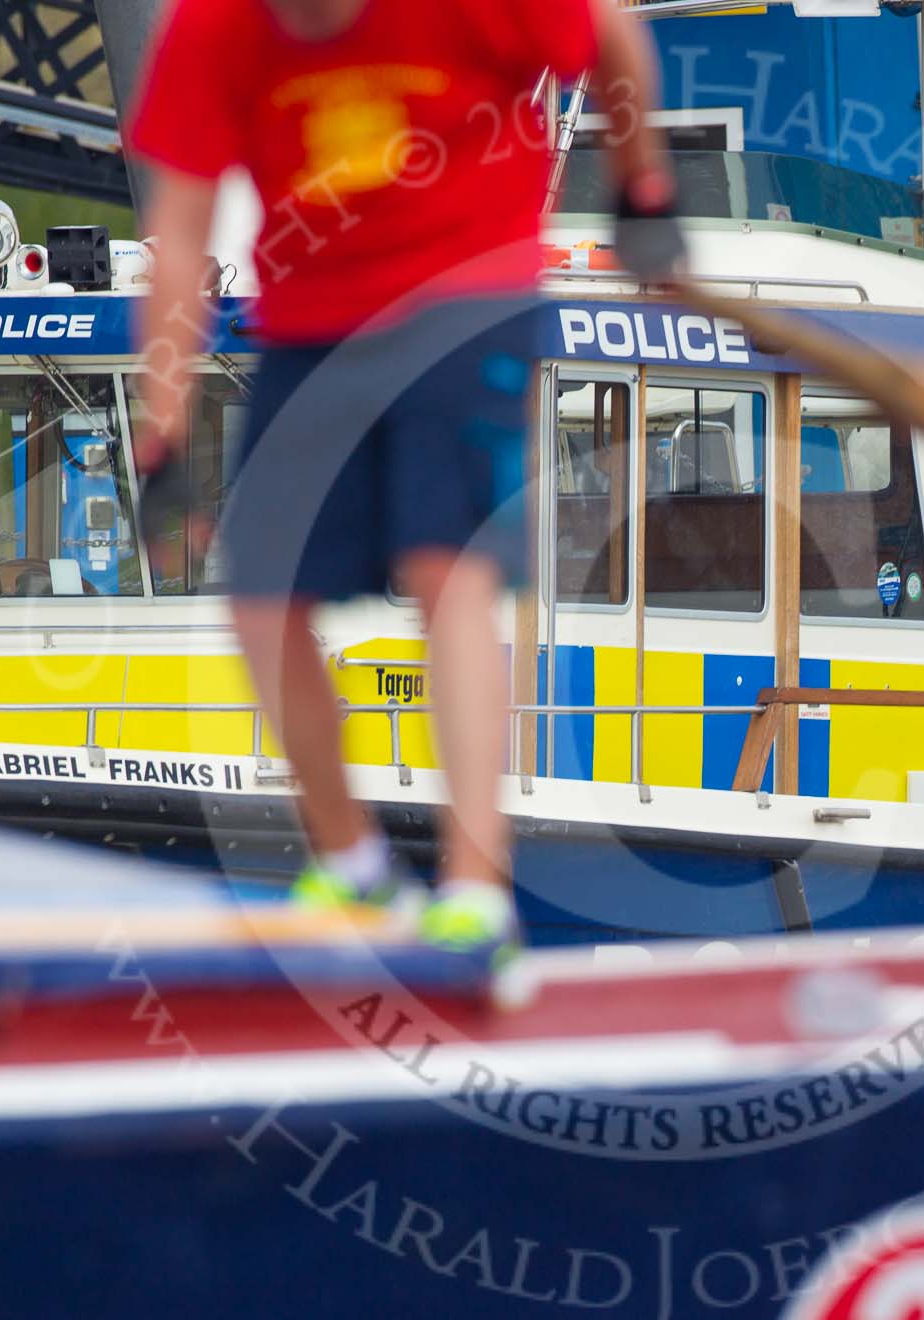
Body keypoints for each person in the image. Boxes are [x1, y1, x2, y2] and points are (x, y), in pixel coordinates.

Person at [125, 0, 678, 950]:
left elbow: (616, 40)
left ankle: (473, 887)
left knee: (442, 568)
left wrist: (644, 193)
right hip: (311, 323)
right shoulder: (216, 25)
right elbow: (179, 229)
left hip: (463, 293)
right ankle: (355, 867)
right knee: (260, 595)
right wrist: (164, 418)